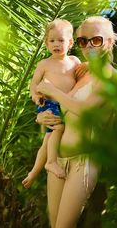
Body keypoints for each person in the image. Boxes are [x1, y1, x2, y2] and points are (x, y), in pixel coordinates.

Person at [36, 16, 117, 228]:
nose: (89, 45)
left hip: (84, 163)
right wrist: (42, 116)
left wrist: (52, 90)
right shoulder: (79, 71)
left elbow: (85, 111)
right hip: (58, 159)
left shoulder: (110, 77)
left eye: (97, 40)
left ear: (109, 42)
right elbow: (61, 108)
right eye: (83, 41)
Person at [22, 18, 87, 188]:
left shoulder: (74, 62)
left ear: (71, 42)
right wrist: (35, 96)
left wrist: (88, 65)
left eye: (61, 40)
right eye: (52, 41)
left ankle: (34, 171)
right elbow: (34, 83)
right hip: (49, 103)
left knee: (48, 139)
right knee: (57, 128)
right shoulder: (45, 64)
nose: (56, 44)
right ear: (46, 43)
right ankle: (51, 162)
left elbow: (82, 78)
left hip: (66, 104)